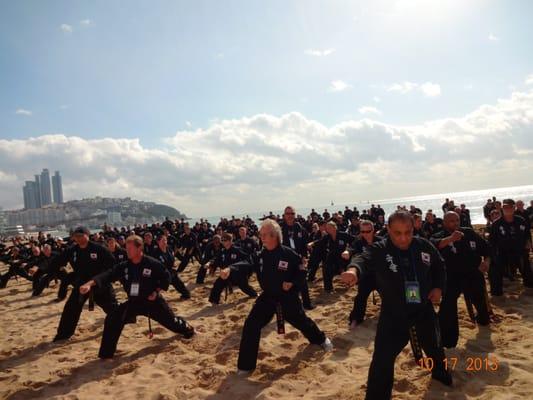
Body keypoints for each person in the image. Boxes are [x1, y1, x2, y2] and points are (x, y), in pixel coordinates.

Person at [341, 211, 452, 399]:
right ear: (388, 231)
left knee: (435, 348)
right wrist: (353, 270)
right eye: (397, 233)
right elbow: (362, 258)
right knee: (382, 360)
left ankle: (440, 375)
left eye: (408, 232)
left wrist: (438, 288)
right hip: (394, 315)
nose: (403, 238)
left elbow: (439, 265)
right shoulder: (380, 249)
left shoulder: (423, 245)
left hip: (423, 309)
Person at [236, 219, 332, 374]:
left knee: (301, 321)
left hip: (288, 297)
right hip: (267, 298)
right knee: (251, 325)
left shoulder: (288, 254)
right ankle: (245, 367)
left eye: (265, 235)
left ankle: (320, 339)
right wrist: (230, 269)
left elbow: (302, 271)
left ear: (275, 236)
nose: (262, 238)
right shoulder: (260, 255)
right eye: (261, 235)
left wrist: (292, 282)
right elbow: (246, 262)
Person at [79, 235, 194, 359]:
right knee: (113, 318)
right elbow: (108, 275)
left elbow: (166, 277)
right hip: (133, 302)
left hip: (152, 302)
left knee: (172, 322)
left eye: (130, 248)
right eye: (126, 248)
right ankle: (106, 354)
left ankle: (187, 329)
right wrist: (90, 283)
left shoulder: (152, 263)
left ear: (139, 248)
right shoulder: (125, 266)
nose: (127, 251)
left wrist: (156, 291)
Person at [431, 212, 491, 348]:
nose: (455, 223)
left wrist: (486, 262)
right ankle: (448, 340)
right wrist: (451, 239)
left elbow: (486, 249)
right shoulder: (438, 236)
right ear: (445, 223)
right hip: (451, 277)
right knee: (448, 307)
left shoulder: (468, 232)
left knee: (480, 300)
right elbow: (435, 246)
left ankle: (483, 319)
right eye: (451, 221)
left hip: (473, 273)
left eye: (457, 220)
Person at [48, 226, 118, 342]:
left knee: (112, 308)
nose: (78, 239)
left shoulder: (99, 248)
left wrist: (99, 279)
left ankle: (123, 321)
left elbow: (112, 266)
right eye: (76, 236)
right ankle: (64, 335)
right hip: (82, 285)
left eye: (81, 236)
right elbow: (57, 261)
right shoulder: (72, 250)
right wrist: (45, 269)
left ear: (87, 235)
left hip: (99, 284)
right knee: (71, 308)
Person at [342, 220, 383, 328]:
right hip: (366, 275)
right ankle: (356, 318)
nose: (365, 234)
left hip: (380, 275)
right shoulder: (358, 242)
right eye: (363, 231)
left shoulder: (381, 241)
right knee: (360, 297)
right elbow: (351, 248)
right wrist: (347, 252)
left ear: (373, 230)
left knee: (389, 296)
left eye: (368, 231)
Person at [488, 199, 532, 294]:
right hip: (503, 252)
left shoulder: (521, 220)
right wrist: (493, 255)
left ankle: (529, 286)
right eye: (505, 207)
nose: (507, 209)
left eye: (509, 207)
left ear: (514, 208)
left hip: (519, 250)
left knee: (526, 268)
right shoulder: (496, 224)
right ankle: (497, 293)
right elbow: (491, 241)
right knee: (495, 269)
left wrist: (528, 243)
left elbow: (527, 234)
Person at [279, 206, 314, 310]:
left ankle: (307, 304)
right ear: (284, 215)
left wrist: (304, 257)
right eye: (288, 213)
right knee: (284, 282)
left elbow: (304, 244)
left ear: (295, 215)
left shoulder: (299, 227)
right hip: (284, 259)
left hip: (298, 257)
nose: (290, 216)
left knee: (302, 280)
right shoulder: (279, 229)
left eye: (292, 213)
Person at [208, 232, 256, 305]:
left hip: (238, 274)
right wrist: (210, 264)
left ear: (230, 241)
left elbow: (247, 260)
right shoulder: (222, 251)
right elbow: (217, 260)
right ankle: (214, 301)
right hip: (226, 274)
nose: (223, 242)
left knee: (245, 287)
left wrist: (233, 267)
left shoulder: (237, 250)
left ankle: (254, 295)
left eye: (225, 240)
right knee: (218, 284)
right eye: (222, 240)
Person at [152, 235, 191, 299]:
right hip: (161, 273)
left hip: (170, 271)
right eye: (163, 240)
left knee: (179, 283)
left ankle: (185, 294)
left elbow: (172, 258)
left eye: (165, 240)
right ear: (158, 242)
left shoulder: (169, 248)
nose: (165, 242)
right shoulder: (155, 252)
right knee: (158, 287)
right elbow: (154, 265)